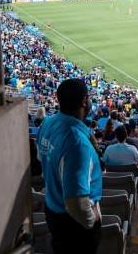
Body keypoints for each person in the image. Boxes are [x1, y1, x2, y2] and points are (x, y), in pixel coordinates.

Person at [36, 78, 101, 254]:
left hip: (53, 210)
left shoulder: (47, 123)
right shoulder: (77, 144)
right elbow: (75, 202)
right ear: (83, 101)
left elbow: (42, 159)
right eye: (88, 98)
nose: (89, 101)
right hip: (74, 225)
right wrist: (91, 219)